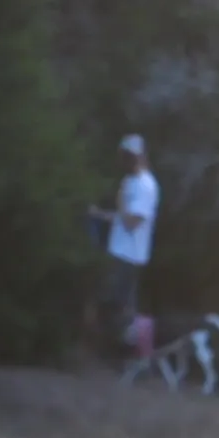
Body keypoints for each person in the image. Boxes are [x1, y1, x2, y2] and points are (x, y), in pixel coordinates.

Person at [87, 134, 159, 337]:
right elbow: (121, 217)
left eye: (129, 157)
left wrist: (120, 200)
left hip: (129, 256)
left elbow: (131, 222)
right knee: (107, 301)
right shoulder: (129, 180)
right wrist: (99, 214)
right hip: (117, 251)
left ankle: (128, 349)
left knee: (117, 308)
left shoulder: (146, 186)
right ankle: (116, 346)